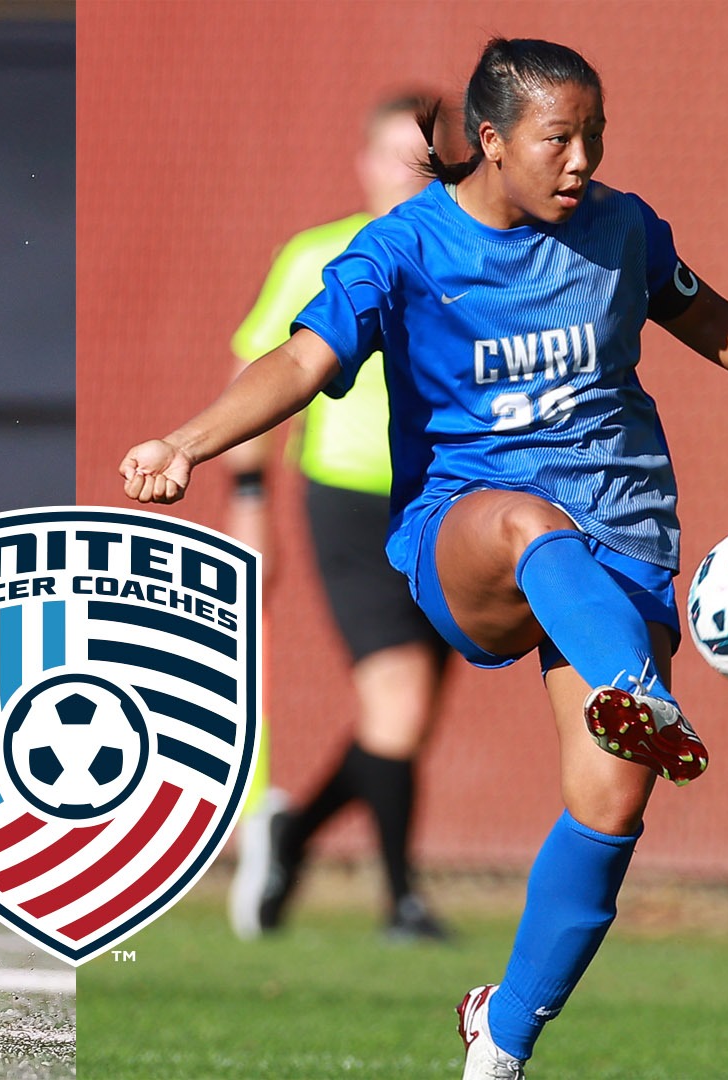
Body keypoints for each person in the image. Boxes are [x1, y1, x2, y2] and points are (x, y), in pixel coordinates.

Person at [120, 38, 728, 1078]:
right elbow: (303, 357)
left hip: (622, 533)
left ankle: (500, 1037)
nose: (582, 159)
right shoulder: (404, 248)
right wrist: (186, 443)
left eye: (596, 134)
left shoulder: (622, 229)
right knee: (526, 525)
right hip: (467, 528)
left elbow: (708, 317)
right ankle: (633, 688)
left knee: (610, 809)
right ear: (492, 141)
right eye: (559, 139)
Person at [223, 93, 456, 945]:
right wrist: (251, 504)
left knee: (406, 719)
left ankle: (293, 834)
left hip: (449, 500)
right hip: (353, 502)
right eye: (395, 153)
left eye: (427, 156)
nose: (410, 172)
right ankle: (401, 901)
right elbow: (263, 374)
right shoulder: (320, 255)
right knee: (399, 700)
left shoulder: (476, 254)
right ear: (363, 164)